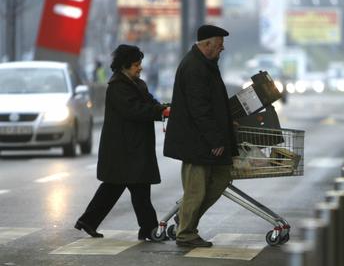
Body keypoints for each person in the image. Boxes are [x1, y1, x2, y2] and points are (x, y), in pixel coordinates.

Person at [75, 44, 168, 242]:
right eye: (136, 65)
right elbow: (134, 110)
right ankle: (149, 230)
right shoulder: (117, 87)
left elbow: (149, 103)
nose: (140, 68)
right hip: (124, 149)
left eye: (140, 64)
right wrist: (158, 112)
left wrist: (163, 109)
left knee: (116, 188)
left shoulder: (137, 84)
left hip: (132, 148)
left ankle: (89, 221)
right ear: (124, 66)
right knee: (136, 189)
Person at [163, 25, 238, 248]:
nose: (222, 50)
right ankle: (185, 233)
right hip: (197, 142)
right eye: (219, 46)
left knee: (222, 177)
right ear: (207, 45)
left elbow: (210, 103)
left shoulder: (204, 64)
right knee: (196, 189)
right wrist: (215, 139)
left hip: (202, 139)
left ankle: (186, 217)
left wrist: (225, 122)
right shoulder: (195, 67)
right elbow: (199, 109)